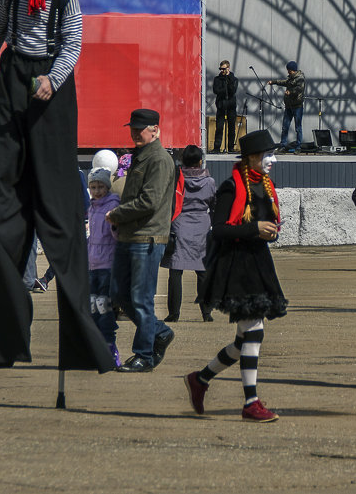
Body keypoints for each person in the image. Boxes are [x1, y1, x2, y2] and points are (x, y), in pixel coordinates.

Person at [0, 0, 114, 374]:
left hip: (51, 80)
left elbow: (73, 43)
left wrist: (55, 77)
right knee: (4, 182)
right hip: (14, 79)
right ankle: (3, 334)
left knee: (53, 188)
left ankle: (82, 340)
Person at [185, 130, 288, 422]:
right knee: (254, 332)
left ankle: (201, 379)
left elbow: (267, 224)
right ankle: (250, 403)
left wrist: (269, 231)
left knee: (245, 338)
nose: (272, 160)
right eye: (268, 155)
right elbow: (218, 229)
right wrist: (255, 229)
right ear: (252, 158)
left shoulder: (267, 187)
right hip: (236, 265)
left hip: (258, 263)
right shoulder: (232, 187)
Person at [106, 109, 177, 373]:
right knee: (119, 294)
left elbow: (150, 201)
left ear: (155, 130)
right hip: (130, 236)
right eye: (133, 128)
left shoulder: (158, 159)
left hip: (147, 237)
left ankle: (144, 355)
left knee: (141, 298)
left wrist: (115, 213)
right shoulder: (140, 157)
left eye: (141, 128)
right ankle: (159, 332)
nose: (135, 132)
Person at [162, 145, 217, 323]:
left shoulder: (176, 178)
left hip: (179, 223)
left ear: (182, 160)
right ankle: (206, 312)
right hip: (201, 225)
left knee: (176, 271)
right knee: (202, 271)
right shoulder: (209, 182)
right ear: (200, 161)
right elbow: (214, 204)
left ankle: (174, 313)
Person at [86, 167, 120, 367]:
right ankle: (97, 347)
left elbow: (116, 236)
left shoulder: (112, 205)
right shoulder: (91, 208)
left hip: (107, 265)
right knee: (92, 308)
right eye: (93, 187)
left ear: (107, 187)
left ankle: (110, 347)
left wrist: (114, 224)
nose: (97, 191)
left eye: (100, 187)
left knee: (103, 307)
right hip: (92, 265)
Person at [267, 61, 305, 152]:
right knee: (285, 126)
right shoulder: (290, 78)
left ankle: (298, 146)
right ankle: (283, 145)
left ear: (293, 70)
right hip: (289, 106)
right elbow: (284, 82)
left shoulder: (300, 78)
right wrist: (274, 82)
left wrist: (290, 92)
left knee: (298, 128)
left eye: (289, 70)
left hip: (297, 106)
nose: (288, 72)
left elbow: (299, 88)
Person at [212, 61, 239, 154]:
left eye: (224, 69)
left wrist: (228, 78)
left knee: (231, 128)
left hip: (231, 106)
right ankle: (217, 147)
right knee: (219, 127)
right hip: (221, 106)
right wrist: (224, 89)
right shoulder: (217, 79)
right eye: (221, 69)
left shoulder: (234, 79)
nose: (222, 71)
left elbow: (232, 90)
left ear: (228, 68)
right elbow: (216, 90)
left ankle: (231, 147)